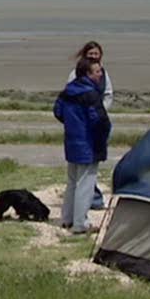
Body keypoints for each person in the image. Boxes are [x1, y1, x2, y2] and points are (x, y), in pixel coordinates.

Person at [54, 58, 112, 234]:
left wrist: (72, 125)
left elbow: (58, 111)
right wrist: (101, 138)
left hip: (72, 141)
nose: (100, 74)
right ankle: (80, 224)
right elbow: (100, 120)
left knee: (72, 181)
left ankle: (67, 218)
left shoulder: (68, 91)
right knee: (85, 183)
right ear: (87, 74)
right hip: (88, 143)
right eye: (97, 72)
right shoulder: (91, 94)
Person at [67, 41, 113, 209]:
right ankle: (82, 214)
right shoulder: (75, 77)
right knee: (83, 173)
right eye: (91, 54)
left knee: (86, 171)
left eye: (96, 54)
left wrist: (102, 111)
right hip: (82, 128)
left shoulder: (103, 75)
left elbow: (108, 95)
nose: (94, 56)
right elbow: (65, 104)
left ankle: (85, 204)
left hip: (96, 122)